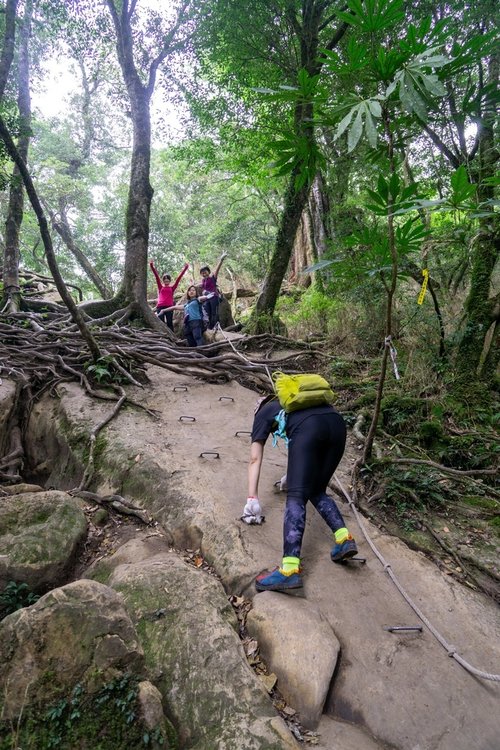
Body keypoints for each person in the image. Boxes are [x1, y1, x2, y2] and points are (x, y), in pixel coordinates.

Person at [246, 395, 358, 592]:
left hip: (310, 429)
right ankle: (344, 539)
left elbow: (255, 459)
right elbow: (303, 447)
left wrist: (252, 498)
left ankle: (289, 570)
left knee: (296, 496)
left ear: (259, 407)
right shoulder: (298, 403)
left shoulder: (262, 414)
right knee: (315, 489)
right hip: (336, 425)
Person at [149, 259, 189, 331]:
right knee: (161, 323)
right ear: (163, 280)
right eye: (165, 279)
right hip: (160, 307)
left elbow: (178, 279)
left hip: (169, 307)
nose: (166, 280)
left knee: (169, 322)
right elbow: (156, 276)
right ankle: (162, 336)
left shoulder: (172, 288)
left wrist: (185, 268)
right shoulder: (160, 287)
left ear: (169, 281)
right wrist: (151, 265)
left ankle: (172, 337)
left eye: (167, 279)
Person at [199, 252, 227, 329]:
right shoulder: (203, 281)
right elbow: (202, 287)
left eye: (205, 272)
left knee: (214, 313)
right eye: (202, 273)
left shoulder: (212, 278)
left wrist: (221, 259)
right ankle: (209, 327)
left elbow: (217, 269)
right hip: (207, 298)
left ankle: (215, 327)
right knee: (207, 312)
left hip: (214, 297)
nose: (204, 274)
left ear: (208, 272)